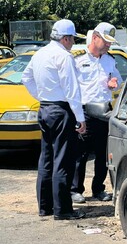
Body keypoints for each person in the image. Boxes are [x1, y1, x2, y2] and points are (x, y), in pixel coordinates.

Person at [22, 19, 87, 220]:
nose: (73, 43)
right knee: (63, 160)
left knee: (46, 158)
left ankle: (45, 206)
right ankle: (63, 210)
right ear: (66, 38)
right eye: (73, 39)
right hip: (61, 109)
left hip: (45, 108)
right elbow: (71, 90)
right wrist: (80, 118)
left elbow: (26, 78)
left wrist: (41, 96)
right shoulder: (64, 57)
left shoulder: (40, 54)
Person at [71, 22, 122, 203]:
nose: (109, 45)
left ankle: (98, 189)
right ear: (95, 37)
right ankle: (75, 189)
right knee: (81, 153)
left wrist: (114, 80)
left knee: (103, 154)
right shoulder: (77, 59)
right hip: (84, 112)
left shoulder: (109, 60)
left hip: (103, 111)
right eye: (106, 41)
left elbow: (118, 77)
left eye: (110, 42)